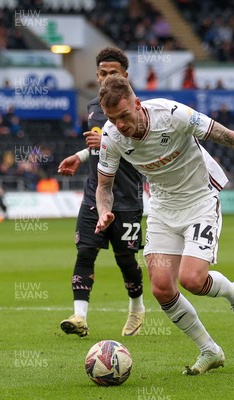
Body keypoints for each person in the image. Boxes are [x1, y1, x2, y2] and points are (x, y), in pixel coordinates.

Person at [95, 75, 234, 375]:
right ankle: (210, 350)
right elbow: (103, 185)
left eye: (123, 116)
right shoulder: (111, 137)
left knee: (193, 280)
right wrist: (104, 210)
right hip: (161, 208)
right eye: (111, 119)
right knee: (161, 288)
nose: (119, 125)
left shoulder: (173, 115)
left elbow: (228, 137)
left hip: (199, 201)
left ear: (137, 104)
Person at [57, 47, 145, 338]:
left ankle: (136, 308)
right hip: (96, 192)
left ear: (125, 76)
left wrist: (106, 140)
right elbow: (100, 144)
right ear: (97, 76)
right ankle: (79, 316)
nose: (107, 77)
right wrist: (81, 156)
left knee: (126, 260)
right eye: (103, 73)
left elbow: (139, 146)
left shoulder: (137, 107)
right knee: (85, 251)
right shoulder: (94, 105)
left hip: (127, 196)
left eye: (113, 73)